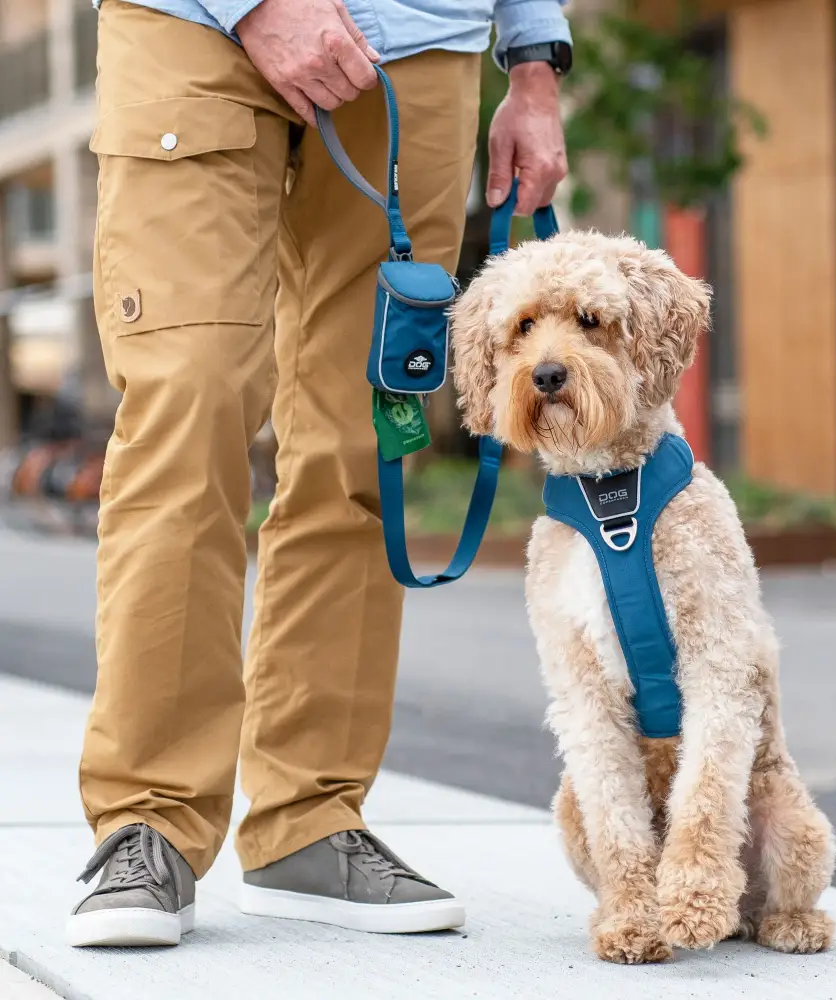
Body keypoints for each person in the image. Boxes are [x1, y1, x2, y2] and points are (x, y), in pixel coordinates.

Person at [68, 0, 571, 948]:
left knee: (360, 438)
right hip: (194, 28)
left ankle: (309, 820)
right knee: (192, 399)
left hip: (424, 46)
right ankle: (148, 819)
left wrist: (535, 62)